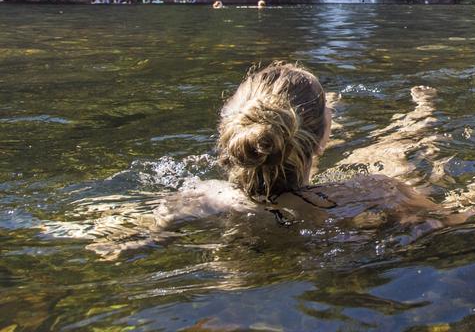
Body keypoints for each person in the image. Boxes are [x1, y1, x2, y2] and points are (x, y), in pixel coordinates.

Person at [88, 62, 456, 257]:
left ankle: (419, 114)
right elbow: (457, 225)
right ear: (323, 138)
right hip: (328, 241)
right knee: (390, 153)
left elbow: (123, 241)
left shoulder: (195, 197)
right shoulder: (377, 190)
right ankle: (422, 114)